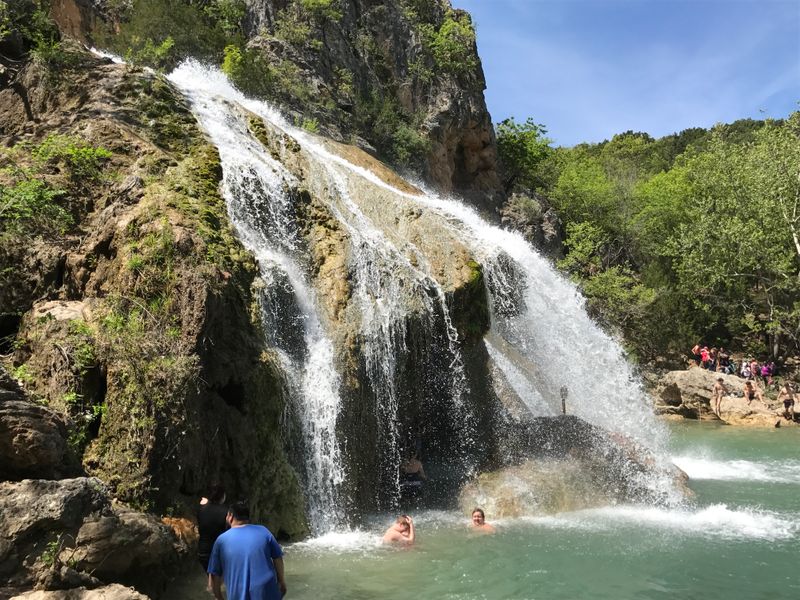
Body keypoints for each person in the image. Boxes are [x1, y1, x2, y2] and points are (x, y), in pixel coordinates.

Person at [208, 501, 286, 600]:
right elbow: (277, 558)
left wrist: (218, 597)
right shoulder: (263, 531)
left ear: (230, 516)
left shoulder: (221, 540)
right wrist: (281, 581)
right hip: (268, 592)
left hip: (239, 594)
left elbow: (214, 574)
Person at [197, 484, 229, 572]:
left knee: (212, 579)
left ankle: (211, 585)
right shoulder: (226, 512)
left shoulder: (201, 509)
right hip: (217, 551)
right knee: (218, 580)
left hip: (202, 551)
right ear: (222, 496)